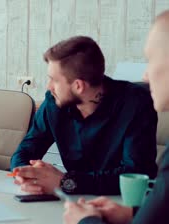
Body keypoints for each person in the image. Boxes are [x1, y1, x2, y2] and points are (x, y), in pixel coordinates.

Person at [63, 11, 169, 224]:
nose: (145, 75)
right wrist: (134, 214)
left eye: (151, 60)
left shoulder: (134, 103)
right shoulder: (53, 105)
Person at [10, 36, 158, 195]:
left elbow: (135, 174)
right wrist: (24, 174)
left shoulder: (136, 103)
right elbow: (25, 150)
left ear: (78, 86)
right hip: (71, 200)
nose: (49, 87)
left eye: (54, 80)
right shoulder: (54, 102)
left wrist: (66, 181)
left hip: (121, 205)